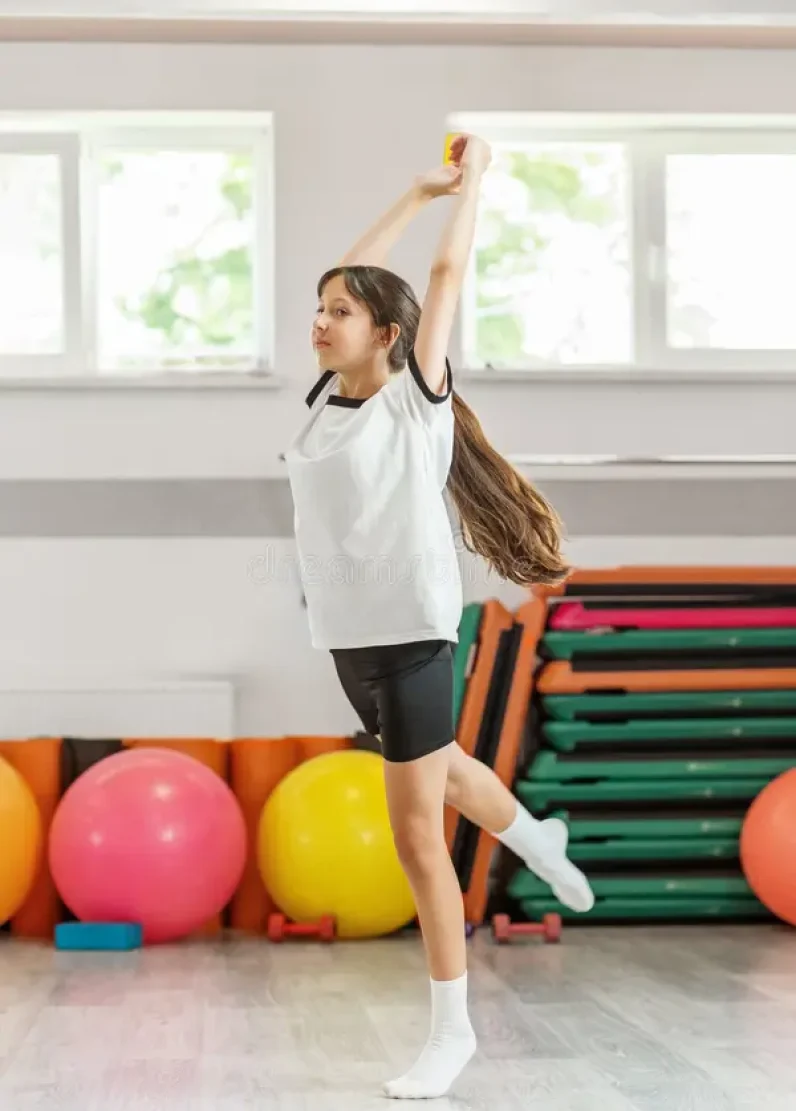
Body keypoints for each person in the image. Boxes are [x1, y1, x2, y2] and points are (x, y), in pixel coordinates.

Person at [283, 134, 594, 1101]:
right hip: (347, 639)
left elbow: (443, 272)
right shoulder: (328, 401)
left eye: (340, 312)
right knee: (449, 772)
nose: (320, 322)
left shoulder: (416, 401)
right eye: (319, 309)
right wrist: (409, 188)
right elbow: (356, 271)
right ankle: (538, 836)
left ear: (387, 334)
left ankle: (451, 1029)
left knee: (418, 833)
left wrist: (470, 187)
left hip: (415, 633)